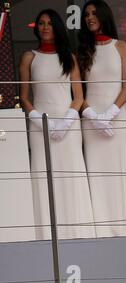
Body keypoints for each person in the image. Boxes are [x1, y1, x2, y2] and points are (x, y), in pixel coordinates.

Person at [19, 9, 96, 239]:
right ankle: (46, 235)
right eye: (41, 23)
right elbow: (24, 97)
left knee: (71, 175)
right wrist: (39, 120)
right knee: (44, 176)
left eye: (49, 24)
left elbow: (79, 96)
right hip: (39, 126)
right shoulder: (29, 57)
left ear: (57, 27)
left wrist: (65, 123)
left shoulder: (69, 57)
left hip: (69, 126)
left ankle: (77, 231)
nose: (44, 27)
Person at [77, 0, 126, 237]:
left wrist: (110, 113)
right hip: (91, 121)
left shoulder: (121, 46)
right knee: (96, 173)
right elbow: (77, 90)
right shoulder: (82, 50)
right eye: (86, 15)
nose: (89, 17)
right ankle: (101, 231)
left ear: (104, 15)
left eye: (94, 13)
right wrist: (94, 116)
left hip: (117, 120)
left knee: (121, 171)